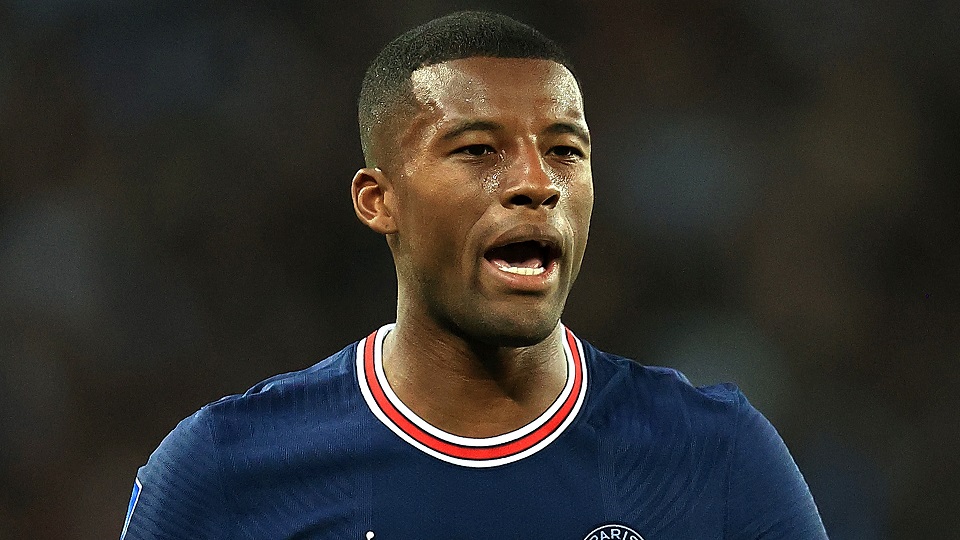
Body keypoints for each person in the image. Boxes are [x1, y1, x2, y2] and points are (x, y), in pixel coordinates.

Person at [119, 11, 828, 540]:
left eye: (564, 151)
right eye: (479, 150)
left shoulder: (714, 457)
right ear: (379, 200)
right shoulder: (227, 471)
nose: (536, 182)